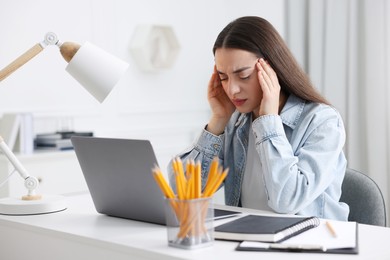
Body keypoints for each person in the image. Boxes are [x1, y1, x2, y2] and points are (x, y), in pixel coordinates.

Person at [169, 16, 349, 221]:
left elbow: (288, 200)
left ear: (272, 70)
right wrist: (218, 121)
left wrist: (268, 122)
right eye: (223, 77)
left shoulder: (322, 122)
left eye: (244, 76)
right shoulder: (235, 123)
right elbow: (182, 193)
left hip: (310, 245)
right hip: (251, 242)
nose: (232, 89)